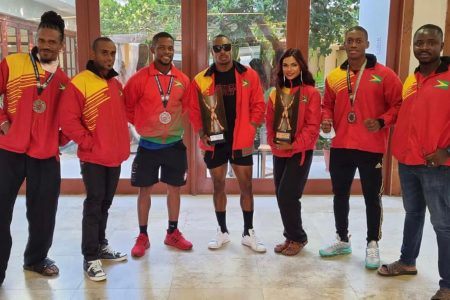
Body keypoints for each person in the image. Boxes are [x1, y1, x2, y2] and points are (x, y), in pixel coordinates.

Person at [319, 26, 403, 269]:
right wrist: (327, 120)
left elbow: (398, 105)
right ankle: (342, 239)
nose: (353, 45)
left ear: (367, 44)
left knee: (371, 197)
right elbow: (327, 105)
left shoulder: (385, 75)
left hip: (371, 146)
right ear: (344, 45)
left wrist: (381, 121)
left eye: (358, 41)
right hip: (341, 146)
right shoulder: (335, 76)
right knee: (340, 194)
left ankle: (372, 243)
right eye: (349, 41)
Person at [377, 24, 450, 300]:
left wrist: (447, 152)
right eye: (419, 43)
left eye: (431, 42)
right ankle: (408, 261)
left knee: (443, 224)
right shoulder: (412, 79)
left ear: (441, 46)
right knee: (414, 214)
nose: (424, 47)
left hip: (437, 166)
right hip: (408, 162)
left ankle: (448, 284)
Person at [0, 11, 69, 285]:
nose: (46, 45)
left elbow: (72, 119)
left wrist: (58, 140)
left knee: (43, 212)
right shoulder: (12, 63)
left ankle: (36, 259)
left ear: (61, 45)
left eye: (52, 41)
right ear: (36, 38)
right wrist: (2, 120)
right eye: (42, 39)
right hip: (9, 150)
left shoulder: (63, 80)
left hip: (44, 155)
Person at [59, 37, 130, 281]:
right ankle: (90, 257)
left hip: (114, 157)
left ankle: (101, 244)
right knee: (94, 204)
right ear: (94, 53)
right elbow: (67, 120)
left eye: (112, 53)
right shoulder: (80, 83)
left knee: (105, 204)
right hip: (93, 158)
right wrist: (89, 143)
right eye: (104, 53)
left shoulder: (115, 83)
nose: (108, 58)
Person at [188, 34, 266, 252]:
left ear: (232, 49)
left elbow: (259, 104)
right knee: (218, 185)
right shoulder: (201, 79)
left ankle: (248, 232)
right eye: (217, 48)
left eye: (226, 47)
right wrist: (201, 131)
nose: (222, 52)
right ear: (212, 51)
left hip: (241, 139)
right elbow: (194, 110)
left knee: (246, 186)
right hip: (215, 142)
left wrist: (251, 127)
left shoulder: (248, 74)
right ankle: (222, 231)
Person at [124, 32, 192, 257]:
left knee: (175, 189)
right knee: (145, 190)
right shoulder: (139, 79)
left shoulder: (182, 79)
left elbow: (187, 107)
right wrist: (145, 124)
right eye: (162, 47)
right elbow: (128, 107)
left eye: (170, 48)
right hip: (148, 145)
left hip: (174, 144)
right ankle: (143, 235)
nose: (166, 52)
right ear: (153, 49)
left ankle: (172, 232)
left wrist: (174, 124)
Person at [266, 48, 321, 256]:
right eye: (285, 65)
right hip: (279, 152)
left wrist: (294, 144)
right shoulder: (275, 93)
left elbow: (312, 126)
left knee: (289, 195)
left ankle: (299, 237)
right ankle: (290, 236)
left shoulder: (311, 93)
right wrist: (273, 142)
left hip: (300, 152)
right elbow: (269, 122)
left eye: (294, 65)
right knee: (281, 196)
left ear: (301, 67)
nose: (289, 69)